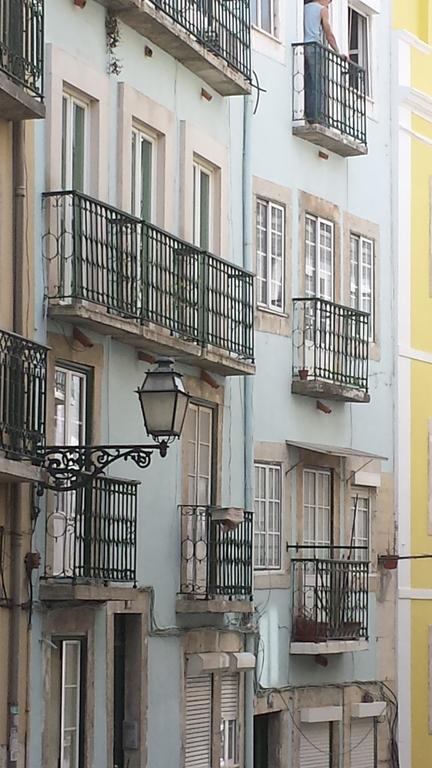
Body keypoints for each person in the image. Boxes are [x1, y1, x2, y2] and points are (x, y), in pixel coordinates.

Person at [303, 0, 345, 123]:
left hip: (303, 46)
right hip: (314, 47)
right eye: (329, 1)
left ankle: (308, 112)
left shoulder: (304, 7)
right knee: (317, 83)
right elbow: (329, 34)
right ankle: (316, 116)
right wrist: (338, 52)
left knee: (307, 80)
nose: (329, 3)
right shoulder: (322, 10)